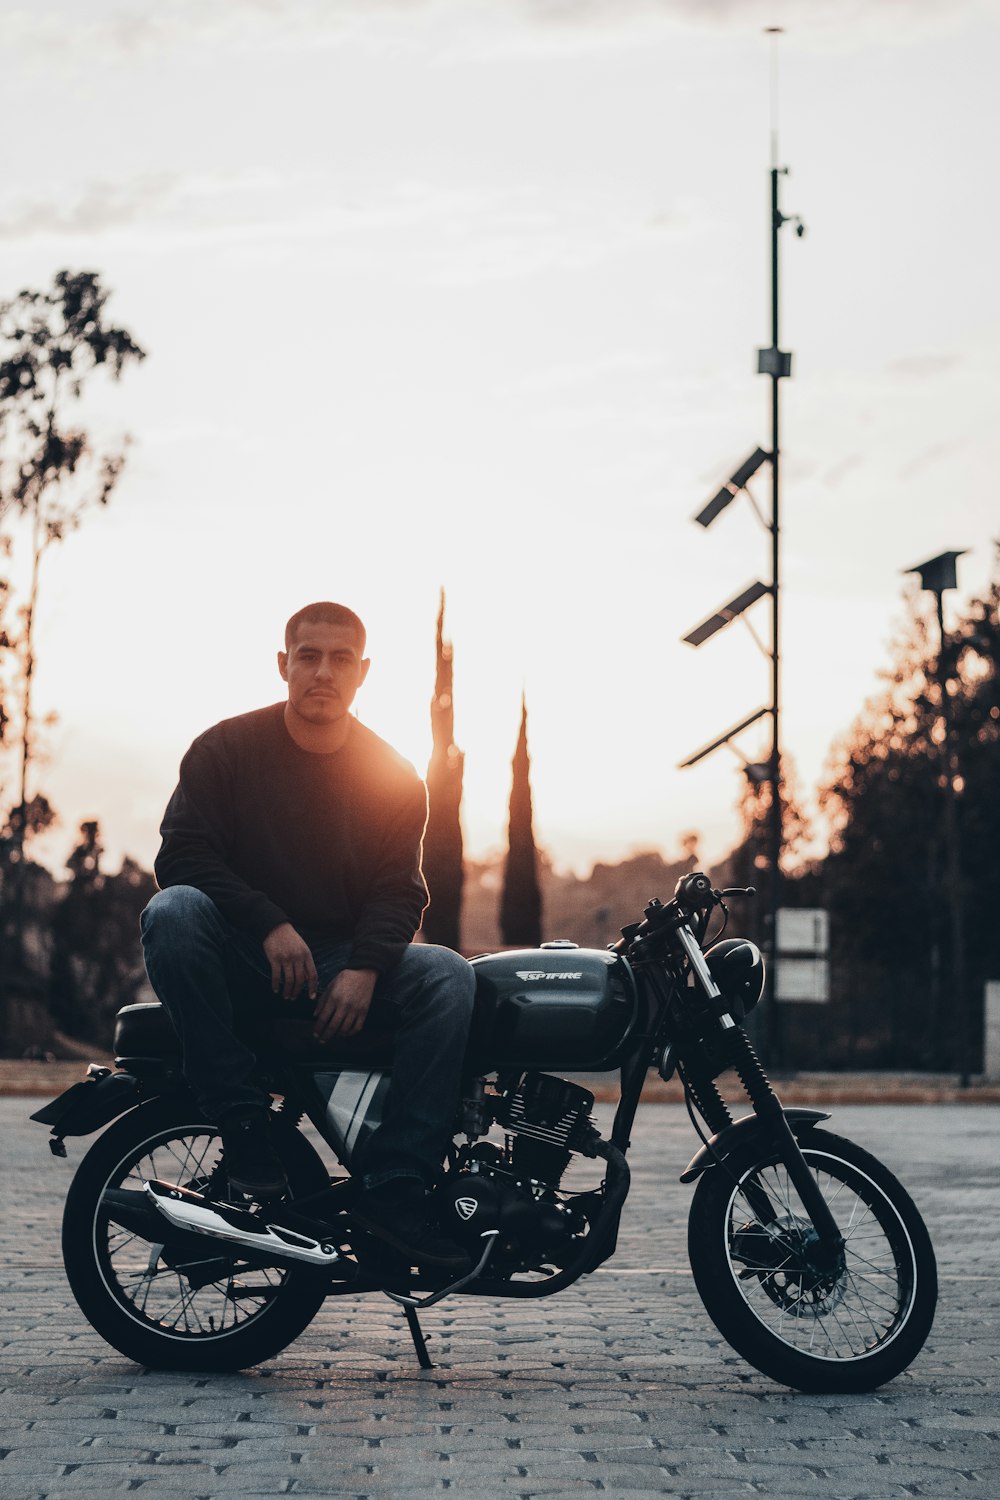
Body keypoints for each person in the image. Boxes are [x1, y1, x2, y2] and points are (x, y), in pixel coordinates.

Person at [140, 601, 476, 1269]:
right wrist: (268, 922)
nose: (323, 672)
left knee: (449, 975)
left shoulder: (393, 776)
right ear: (283, 664)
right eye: (308, 656)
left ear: (363, 672)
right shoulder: (224, 750)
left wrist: (369, 968)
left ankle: (396, 1186)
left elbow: (399, 888)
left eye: (340, 659)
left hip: (339, 959)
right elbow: (182, 856)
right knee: (173, 911)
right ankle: (242, 1124)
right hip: (238, 949)